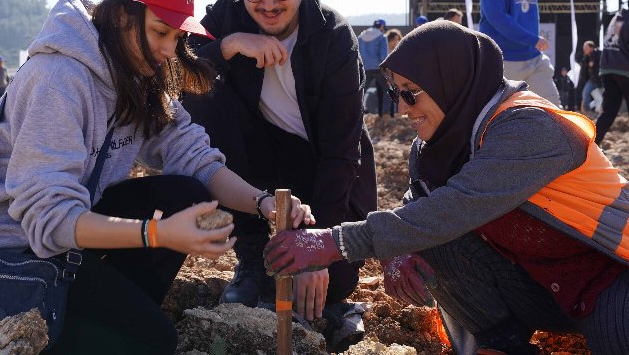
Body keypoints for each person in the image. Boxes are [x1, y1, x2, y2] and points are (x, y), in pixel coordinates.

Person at [0, 0, 311, 354]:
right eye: (160, 32)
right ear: (121, 17)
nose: (170, 50)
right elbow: (49, 219)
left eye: (177, 37)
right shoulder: (58, 79)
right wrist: (159, 234)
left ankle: (113, 314)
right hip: (5, 255)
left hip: (68, 243)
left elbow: (197, 160)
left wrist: (263, 203)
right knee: (154, 340)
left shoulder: (138, 75)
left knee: (186, 193)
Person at [264, 21, 629, 355]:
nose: (404, 109)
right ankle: (502, 344)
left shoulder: (529, 127)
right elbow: (418, 207)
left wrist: (335, 242)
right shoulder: (431, 148)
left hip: (607, 278)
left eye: (412, 93)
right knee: (428, 237)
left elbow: (455, 206)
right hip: (539, 286)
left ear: (450, 81)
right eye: (397, 94)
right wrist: (395, 254)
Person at [184, 0, 376, 324]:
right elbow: (181, 71)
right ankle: (253, 255)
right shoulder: (227, 16)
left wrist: (316, 247)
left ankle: (312, 263)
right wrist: (230, 44)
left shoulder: (333, 36)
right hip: (259, 162)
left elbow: (343, 152)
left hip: (326, 167)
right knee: (205, 94)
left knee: (331, 285)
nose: (269, 3)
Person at [479, 0, 561, 106]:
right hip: (504, 62)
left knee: (554, 110)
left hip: (533, 59)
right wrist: (532, 39)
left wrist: (532, 42)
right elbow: (497, 18)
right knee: (494, 116)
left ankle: (569, 133)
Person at [595, 8, 629, 145]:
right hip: (623, 68)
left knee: (608, 112)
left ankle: (590, 147)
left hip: (607, 68)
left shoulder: (617, 17)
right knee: (609, 110)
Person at [358, 19, 388, 115]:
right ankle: (385, 113)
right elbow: (384, 56)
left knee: (362, 91)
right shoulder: (382, 37)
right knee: (386, 90)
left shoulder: (361, 37)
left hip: (365, 68)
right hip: (378, 68)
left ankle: (360, 111)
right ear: (382, 27)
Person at [577, 41, 601, 113]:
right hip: (592, 80)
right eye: (584, 48)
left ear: (591, 48)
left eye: (586, 47)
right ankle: (587, 111)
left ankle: (598, 111)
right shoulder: (586, 58)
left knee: (601, 98)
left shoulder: (598, 54)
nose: (584, 49)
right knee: (585, 93)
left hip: (600, 80)